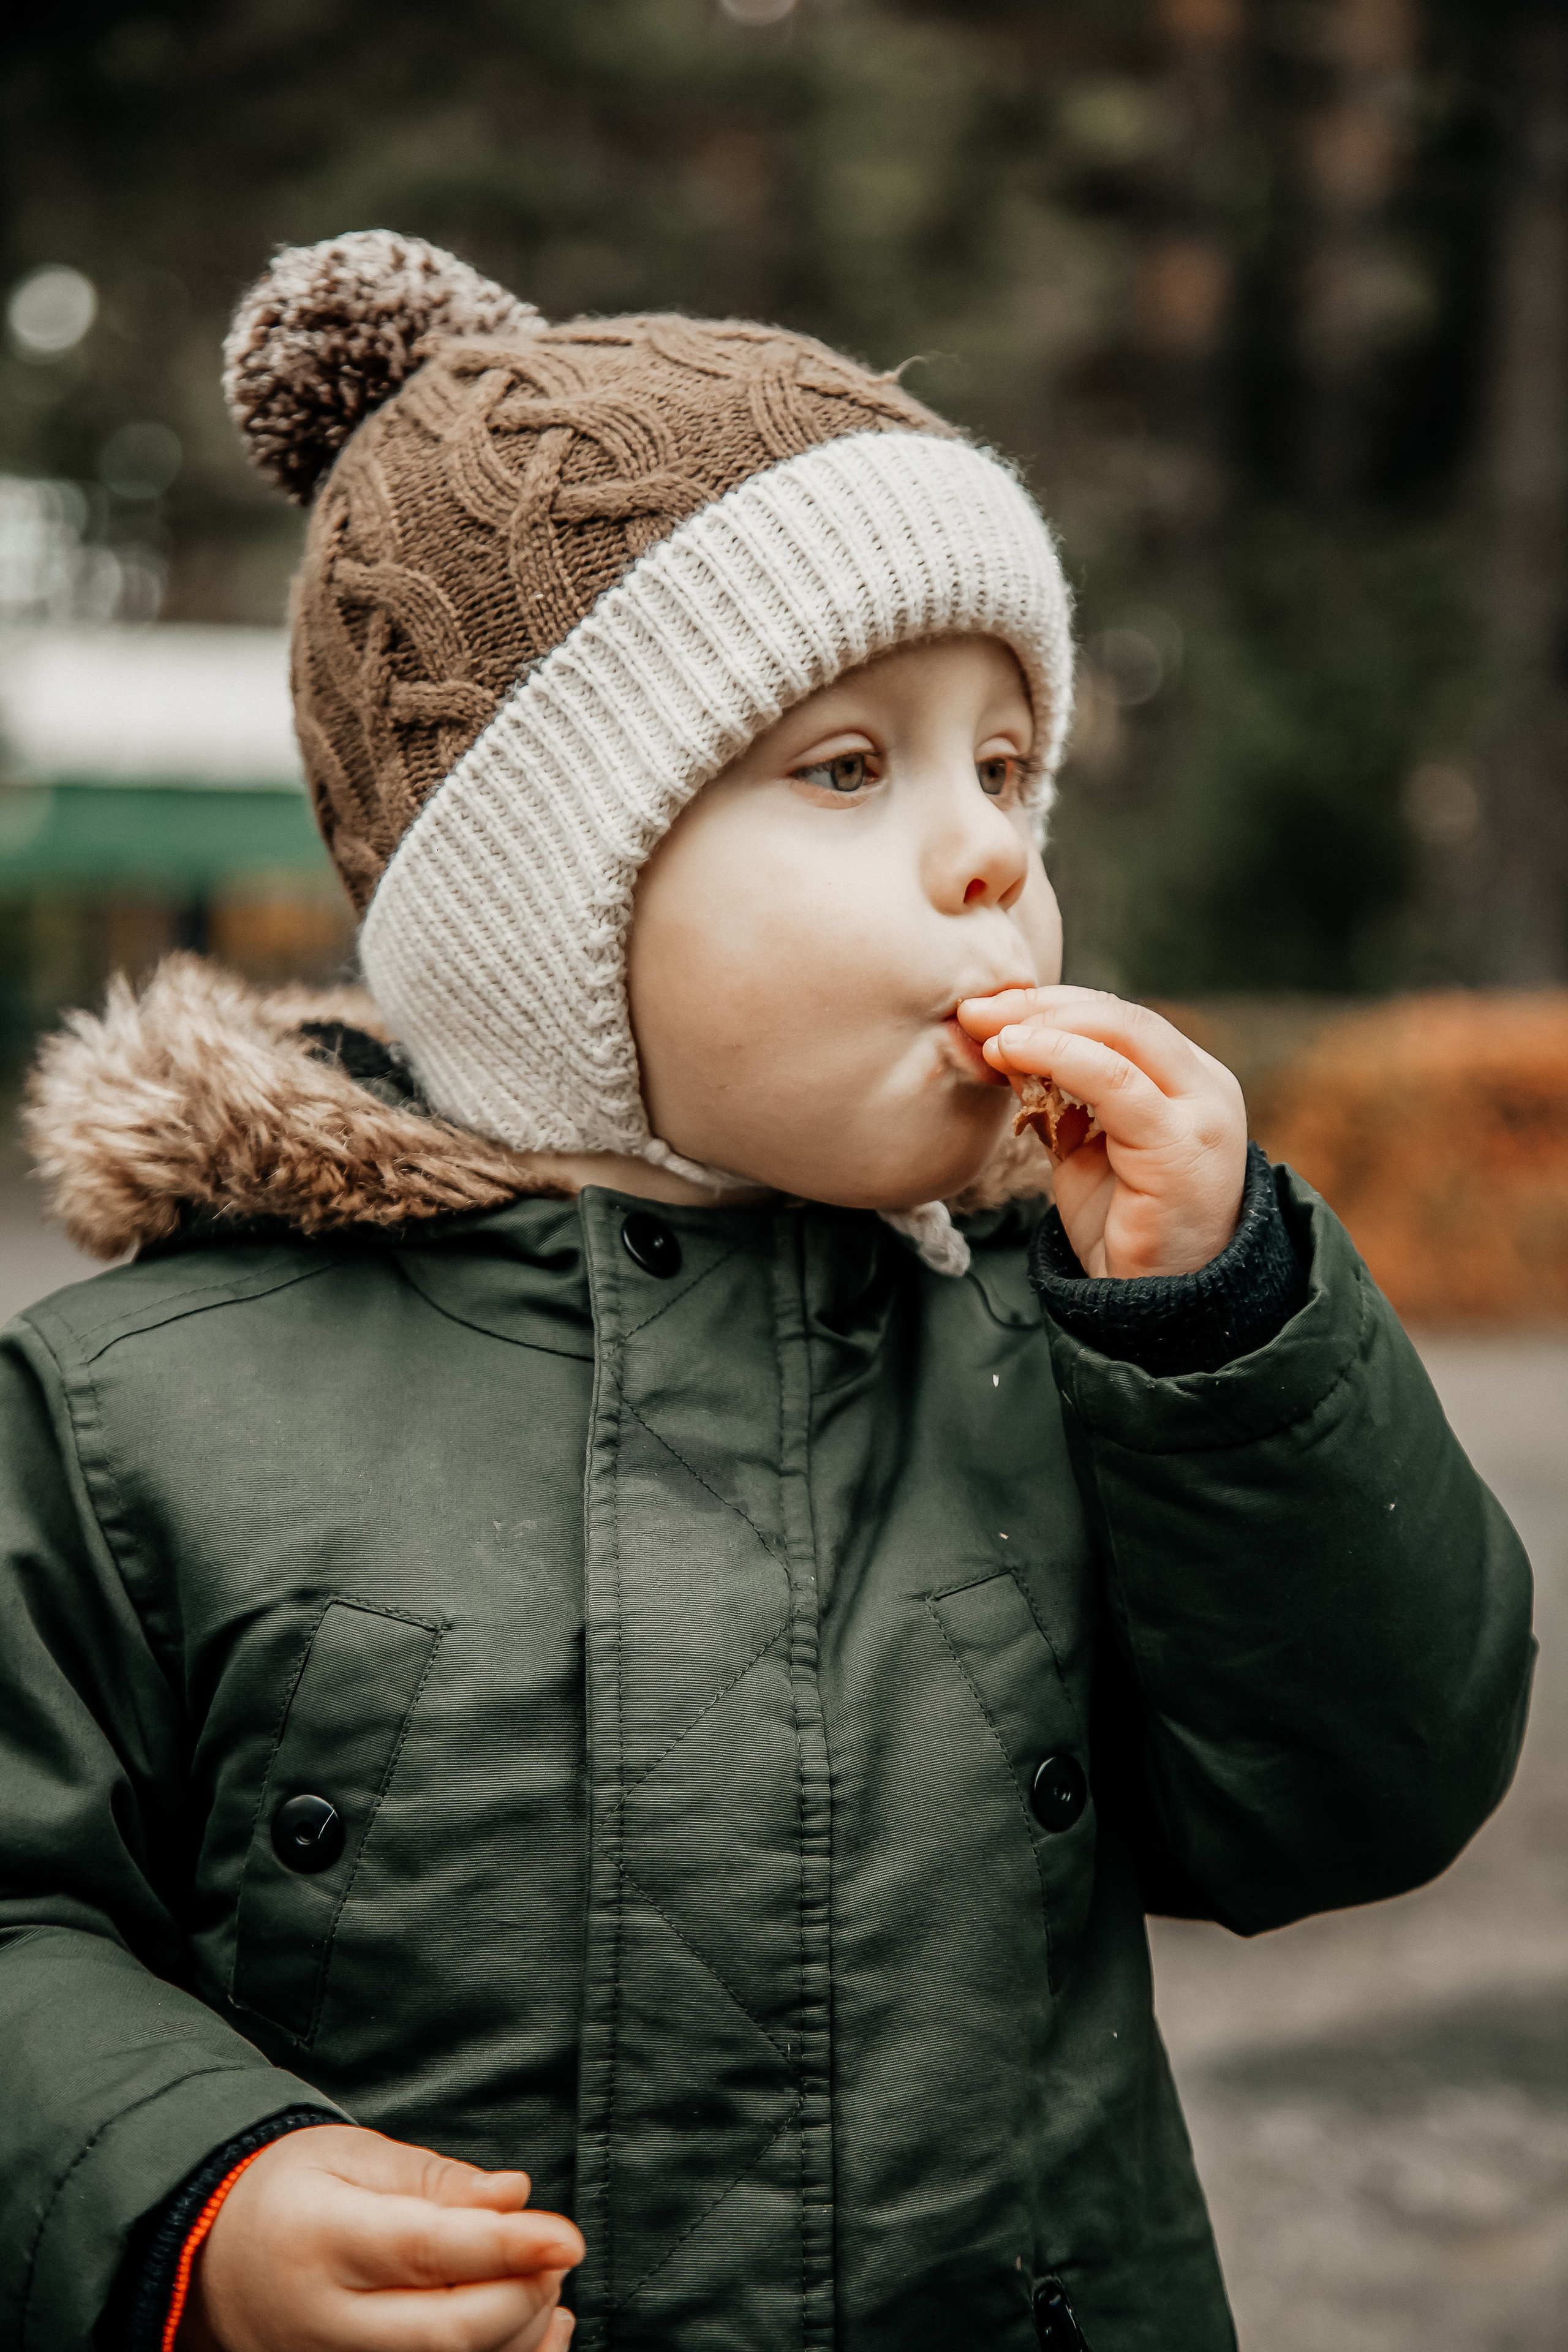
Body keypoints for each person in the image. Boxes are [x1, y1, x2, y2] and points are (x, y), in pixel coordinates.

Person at [0, 233, 1533, 2352]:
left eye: (1006, 768)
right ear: (545, 906)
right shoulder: (133, 1409)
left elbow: (1369, 1786)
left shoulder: (1064, 1346)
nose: (992, 850)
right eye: (848, 768)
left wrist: (1224, 1335)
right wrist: (190, 2194)